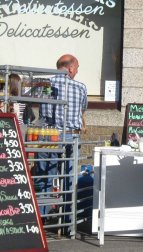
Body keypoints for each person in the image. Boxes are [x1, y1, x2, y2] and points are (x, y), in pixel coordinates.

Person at [37, 54, 88, 221]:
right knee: (68, 178)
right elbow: (82, 109)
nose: (77, 71)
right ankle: (67, 221)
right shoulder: (80, 87)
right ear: (71, 68)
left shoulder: (45, 85)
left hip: (48, 135)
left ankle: (42, 220)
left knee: (45, 176)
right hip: (70, 136)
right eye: (77, 68)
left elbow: (37, 105)